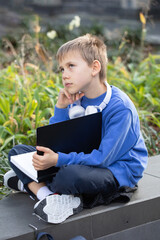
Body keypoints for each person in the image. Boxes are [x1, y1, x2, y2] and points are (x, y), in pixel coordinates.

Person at [4, 34, 148, 224]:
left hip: (114, 169)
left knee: (69, 176)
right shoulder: (77, 99)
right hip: (80, 159)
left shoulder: (120, 108)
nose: (64, 74)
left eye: (71, 66)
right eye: (62, 68)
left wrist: (57, 160)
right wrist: (61, 109)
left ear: (95, 67)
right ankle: (47, 195)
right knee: (17, 152)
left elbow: (102, 159)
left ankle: (30, 185)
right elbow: (55, 143)